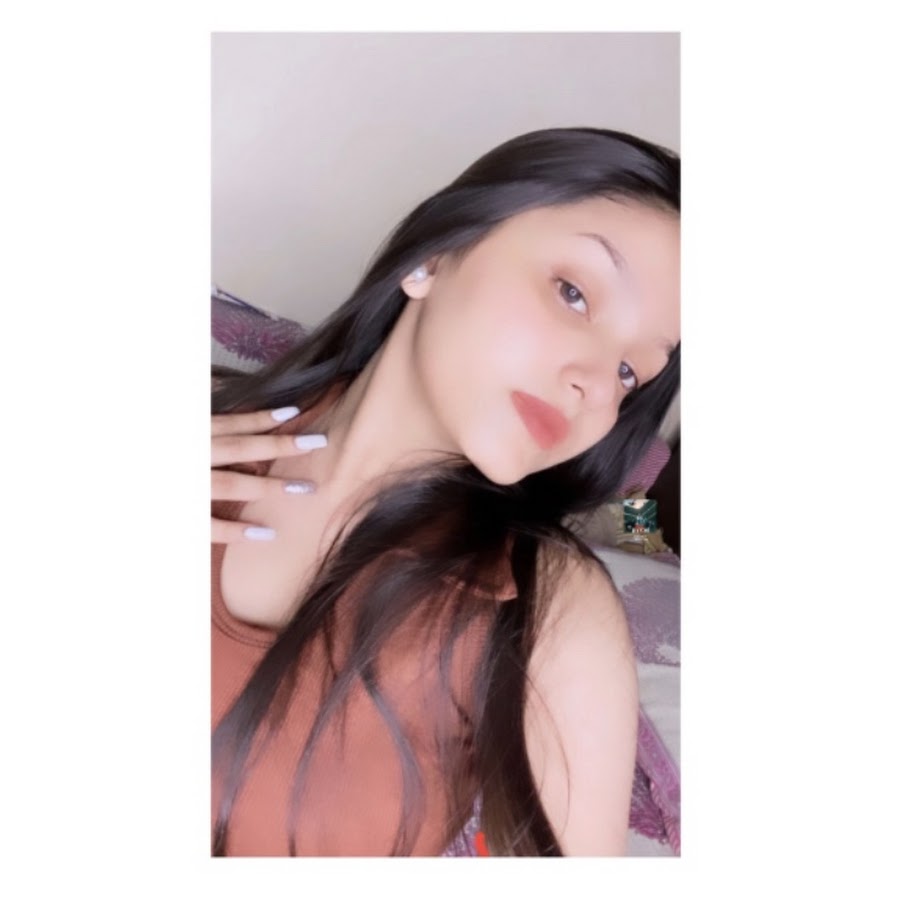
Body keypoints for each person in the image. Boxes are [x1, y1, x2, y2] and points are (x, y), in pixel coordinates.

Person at [211, 127, 681, 856]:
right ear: (433, 256)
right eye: (574, 293)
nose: (596, 384)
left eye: (631, 374)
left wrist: (638, 538)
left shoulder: (556, 603)